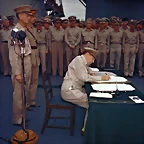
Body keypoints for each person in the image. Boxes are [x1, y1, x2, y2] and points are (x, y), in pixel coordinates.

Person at [61, 47, 110, 135]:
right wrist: (102, 78)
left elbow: (86, 69)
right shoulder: (79, 61)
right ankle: (85, 129)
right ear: (88, 54)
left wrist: (91, 71)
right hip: (69, 91)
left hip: (74, 88)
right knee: (91, 102)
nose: (93, 61)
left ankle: (88, 126)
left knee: (92, 98)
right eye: (93, 58)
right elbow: (84, 77)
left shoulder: (81, 61)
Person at [8, 5, 32, 125]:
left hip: (26, 62)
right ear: (20, 16)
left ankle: (22, 116)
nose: (29, 17)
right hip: (20, 65)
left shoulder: (24, 30)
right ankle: (17, 119)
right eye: (27, 15)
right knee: (19, 94)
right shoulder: (15, 32)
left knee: (24, 92)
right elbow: (13, 55)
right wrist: (17, 73)